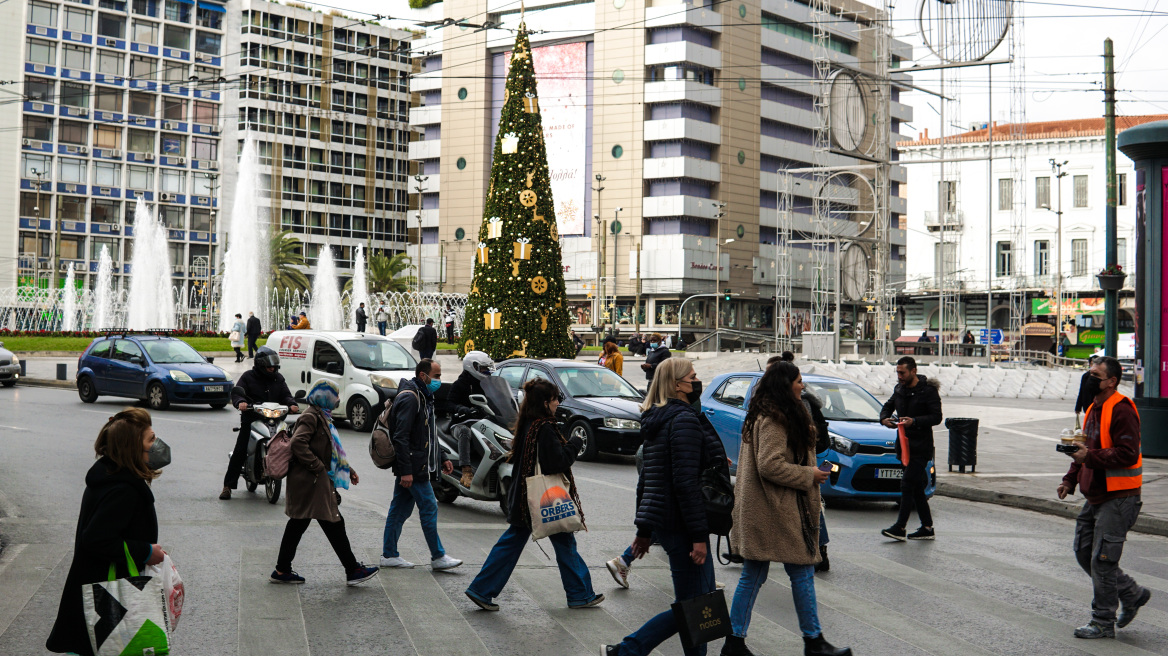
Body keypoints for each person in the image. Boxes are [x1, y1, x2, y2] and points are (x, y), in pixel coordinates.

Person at [721, 362, 851, 656]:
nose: (802, 385)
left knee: (757, 575)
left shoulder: (771, 413)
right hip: (774, 511)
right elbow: (770, 465)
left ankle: (735, 642)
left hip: (769, 509)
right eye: (799, 381)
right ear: (785, 384)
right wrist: (810, 475)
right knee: (800, 572)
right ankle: (812, 641)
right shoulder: (773, 418)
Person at [601, 357, 725, 656]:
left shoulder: (660, 418)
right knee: (693, 605)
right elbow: (684, 483)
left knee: (698, 602)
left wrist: (644, 530)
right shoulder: (682, 420)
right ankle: (626, 650)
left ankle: (627, 651)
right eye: (693, 377)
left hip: (668, 523)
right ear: (677, 384)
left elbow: (648, 481)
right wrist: (698, 536)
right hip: (683, 525)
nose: (697, 382)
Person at [465, 378, 603, 611]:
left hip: (524, 495)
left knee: (515, 543)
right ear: (546, 402)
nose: (558, 402)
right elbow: (555, 462)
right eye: (556, 399)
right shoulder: (545, 427)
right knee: (563, 540)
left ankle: (481, 589)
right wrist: (574, 444)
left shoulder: (528, 423)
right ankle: (580, 594)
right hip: (542, 498)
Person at [47, 408, 170, 656]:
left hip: (95, 587)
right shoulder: (123, 489)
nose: (157, 444)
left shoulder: (109, 475)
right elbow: (96, 539)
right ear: (133, 447)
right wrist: (145, 551)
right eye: (151, 439)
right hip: (107, 594)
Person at [1059, 356, 1149, 639]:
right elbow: (1086, 449)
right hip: (1096, 493)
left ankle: (1102, 621)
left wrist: (1090, 457)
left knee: (1103, 560)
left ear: (1111, 381)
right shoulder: (1094, 408)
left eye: (1096, 375)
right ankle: (1131, 594)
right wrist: (1070, 478)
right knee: (1084, 552)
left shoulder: (1121, 410)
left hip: (1119, 496)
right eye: (1089, 373)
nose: (1089, 378)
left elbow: (1127, 453)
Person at [271, 380, 379, 586]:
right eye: (335, 395)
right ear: (324, 397)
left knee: (302, 523)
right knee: (331, 523)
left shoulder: (323, 416)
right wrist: (317, 467)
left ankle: (282, 569)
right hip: (310, 481)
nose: (338, 399)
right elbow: (298, 443)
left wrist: (349, 470)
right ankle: (352, 569)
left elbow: (332, 451)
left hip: (314, 481)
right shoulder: (311, 417)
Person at [380, 359, 463, 570]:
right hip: (414, 468)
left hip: (415, 465)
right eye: (436, 376)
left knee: (399, 510)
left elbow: (429, 434)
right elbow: (401, 437)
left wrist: (442, 456)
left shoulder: (424, 397)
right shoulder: (411, 398)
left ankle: (389, 555)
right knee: (429, 506)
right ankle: (438, 556)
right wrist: (406, 471)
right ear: (422, 375)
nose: (439, 380)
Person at [221, 347, 299, 500]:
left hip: (275, 419)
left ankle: (298, 488)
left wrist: (292, 404)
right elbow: (237, 392)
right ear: (261, 365)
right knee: (240, 449)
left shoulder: (279, 378)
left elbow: (286, 395)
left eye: (274, 366)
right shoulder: (248, 377)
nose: (272, 368)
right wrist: (241, 402)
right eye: (269, 366)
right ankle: (227, 486)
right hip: (252, 419)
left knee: (292, 448)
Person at [879, 356, 943, 541]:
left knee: (907, 483)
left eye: (902, 372)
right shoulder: (899, 389)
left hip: (921, 446)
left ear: (913, 371)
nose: (899, 376)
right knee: (916, 488)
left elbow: (936, 417)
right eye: (897, 372)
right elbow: (887, 407)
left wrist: (914, 422)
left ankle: (900, 527)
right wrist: (884, 419)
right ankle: (927, 527)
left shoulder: (928, 391)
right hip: (904, 446)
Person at [449, 351, 497, 487]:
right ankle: (466, 471)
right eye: (483, 369)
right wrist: (461, 409)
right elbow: (449, 403)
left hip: (481, 421)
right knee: (464, 432)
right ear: (472, 367)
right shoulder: (460, 384)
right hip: (461, 422)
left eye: (487, 368)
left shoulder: (488, 384)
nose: (486, 371)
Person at [1075, 355, 1100, 429]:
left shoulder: (1101, 377)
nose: (1094, 366)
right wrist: (1078, 407)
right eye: (1092, 363)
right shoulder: (1085, 376)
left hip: (1099, 406)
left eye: (1096, 363)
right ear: (1089, 364)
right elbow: (1081, 392)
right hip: (1087, 406)